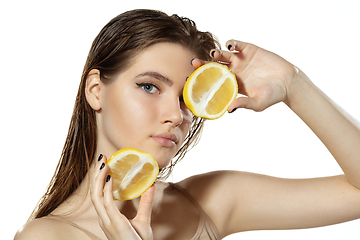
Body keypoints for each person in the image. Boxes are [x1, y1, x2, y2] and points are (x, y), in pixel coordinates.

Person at [14, 9, 360, 240]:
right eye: (149, 86)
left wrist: (294, 85)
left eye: (186, 99)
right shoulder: (47, 236)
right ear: (95, 91)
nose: (177, 115)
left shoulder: (209, 201)